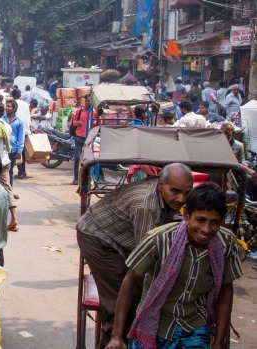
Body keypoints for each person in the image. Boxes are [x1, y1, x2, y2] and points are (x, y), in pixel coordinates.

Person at [106, 182, 242, 349]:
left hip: (195, 324)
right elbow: (130, 282)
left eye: (214, 222)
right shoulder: (158, 239)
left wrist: (219, 342)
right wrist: (116, 336)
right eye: (200, 220)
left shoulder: (226, 243)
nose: (206, 229)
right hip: (156, 323)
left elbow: (226, 290)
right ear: (186, 216)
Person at [76, 163, 194, 348]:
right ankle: (113, 341)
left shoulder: (167, 196)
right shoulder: (146, 206)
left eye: (187, 193)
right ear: (161, 184)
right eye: (176, 191)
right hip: (97, 236)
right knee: (121, 300)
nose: (181, 198)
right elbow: (145, 257)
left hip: (122, 235)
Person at [71, 95, 98, 184]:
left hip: (90, 139)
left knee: (89, 160)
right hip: (79, 137)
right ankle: (76, 178)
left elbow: (98, 124)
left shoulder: (95, 113)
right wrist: (76, 123)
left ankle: (89, 178)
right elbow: (74, 122)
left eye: (89, 101)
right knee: (78, 158)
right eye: (86, 101)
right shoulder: (79, 111)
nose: (87, 103)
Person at [3, 100, 25, 188]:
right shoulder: (2, 119)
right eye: (6, 106)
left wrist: (20, 150)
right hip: (3, 148)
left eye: (9, 106)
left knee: (10, 170)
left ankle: (9, 189)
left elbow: (21, 137)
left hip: (13, 149)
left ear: (14, 108)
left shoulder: (19, 121)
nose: (6, 108)